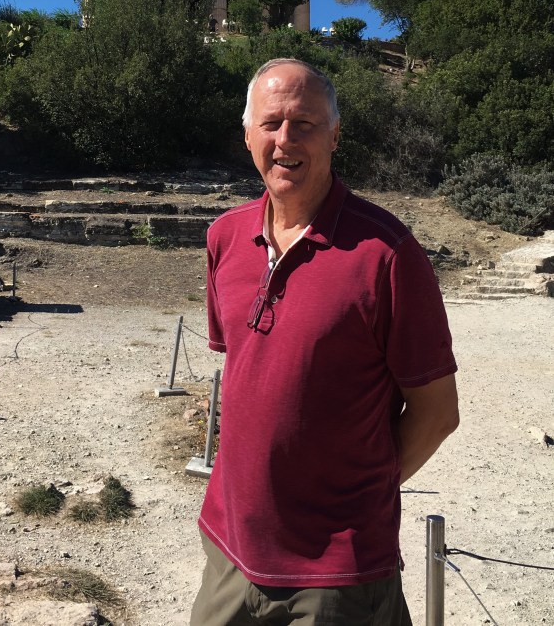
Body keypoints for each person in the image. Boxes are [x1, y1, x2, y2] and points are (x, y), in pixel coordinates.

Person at [190, 58, 459, 626]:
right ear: (247, 134)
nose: (286, 139)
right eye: (271, 123)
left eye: (305, 123)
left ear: (334, 135)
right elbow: (242, 376)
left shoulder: (387, 254)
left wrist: (352, 499)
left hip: (339, 575)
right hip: (231, 552)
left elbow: (436, 413)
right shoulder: (224, 238)